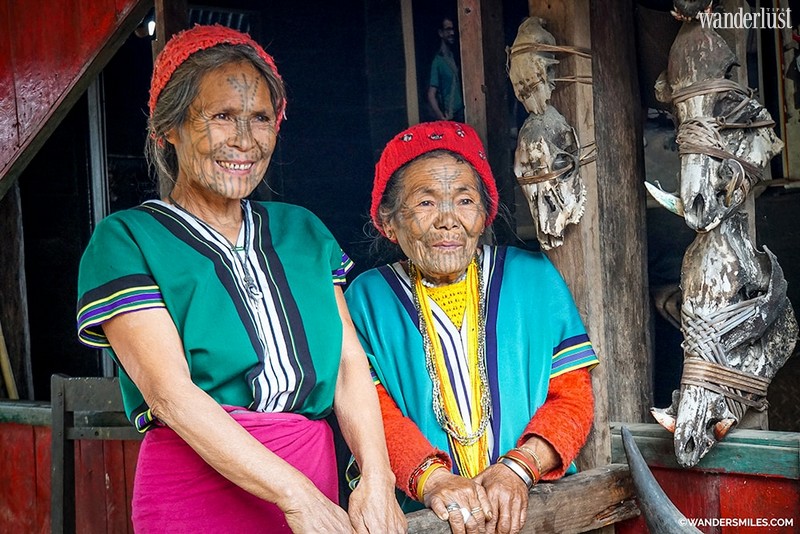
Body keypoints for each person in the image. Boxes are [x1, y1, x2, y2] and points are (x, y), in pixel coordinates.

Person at [75, 24, 405, 534]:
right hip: (197, 490)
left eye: (260, 118)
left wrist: (377, 479)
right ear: (169, 127)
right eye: (223, 116)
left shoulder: (303, 231)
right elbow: (169, 393)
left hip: (314, 477)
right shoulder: (127, 240)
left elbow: (346, 367)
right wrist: (296, 497)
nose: (245, 140)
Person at [345, 121, 599, 534]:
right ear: (389, 223)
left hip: (535, 510)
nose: (448, 220)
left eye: (464, 201)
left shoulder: (533, 279)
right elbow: (369, 412)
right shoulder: (366, 299)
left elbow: (571, 398)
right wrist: (434, 480)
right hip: (423, 517)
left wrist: (520, 468)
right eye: (425, 203)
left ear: (484, 215)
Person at [427, 17, 465, 122]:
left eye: (452, 29)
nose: (452, 33)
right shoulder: (437, 62)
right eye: (448, 29)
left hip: (463, 111)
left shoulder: (455, 56)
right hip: (452, 115)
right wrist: (441, 117)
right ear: (441, 33)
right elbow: (431, 95)